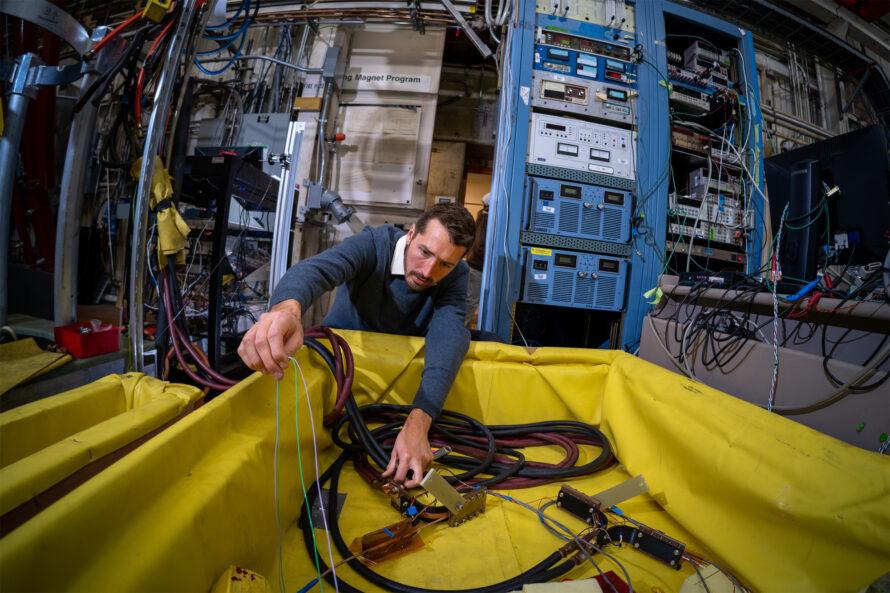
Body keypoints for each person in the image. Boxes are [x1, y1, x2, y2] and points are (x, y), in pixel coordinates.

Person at [238, 202, 476, 488]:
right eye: (424, 252)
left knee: (469, 339)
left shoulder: (456, 275)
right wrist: (286, 311)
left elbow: (448, 332)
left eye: (445, 264)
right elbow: (318, 270)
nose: (428, 271)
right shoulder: (374, 244)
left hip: (395, 374)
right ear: (411, 233)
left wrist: (420, 419)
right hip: (341, 369)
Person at [464, 192, 489, 328]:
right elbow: (481, 244)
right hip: (477, 265)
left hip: (472, 262)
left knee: (469, 299)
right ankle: (459, 330)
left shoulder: (481, 215)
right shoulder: (486, 219)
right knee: (471, 301)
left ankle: (464, 331)